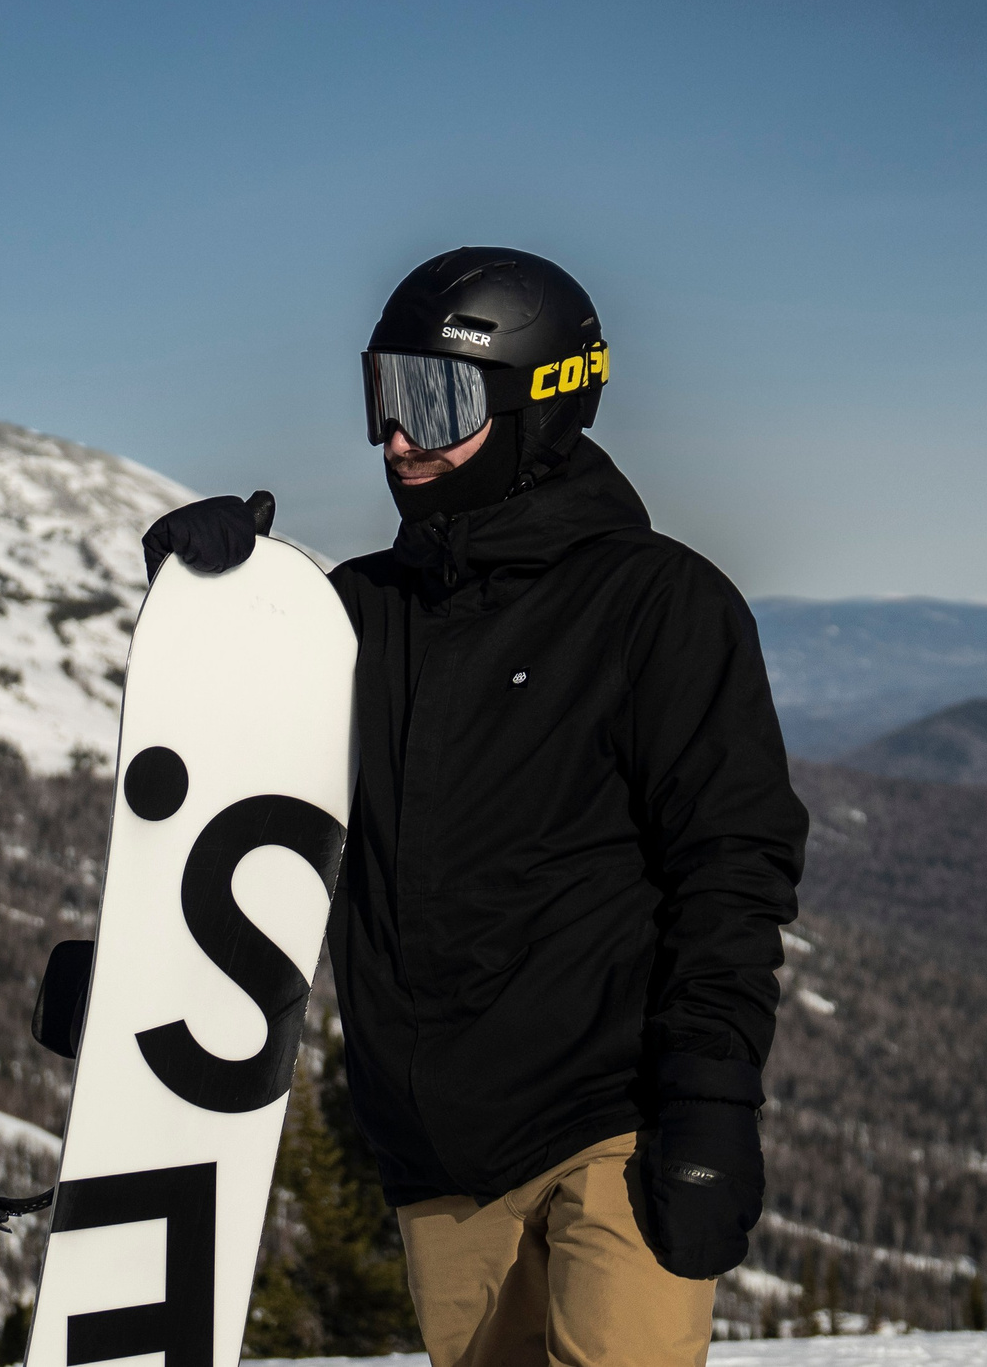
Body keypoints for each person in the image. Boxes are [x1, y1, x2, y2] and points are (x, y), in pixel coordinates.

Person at [142, 248, 807, 1366]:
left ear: (540, 406)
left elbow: (731, 871)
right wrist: (206, 599)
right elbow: (237, 785)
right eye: (386, 394)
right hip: (437, 1158)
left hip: (614, 1125)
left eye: (438, 400)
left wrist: (710, 1108)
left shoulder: (657, 605)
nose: (400, 437)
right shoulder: (353, 615)